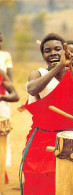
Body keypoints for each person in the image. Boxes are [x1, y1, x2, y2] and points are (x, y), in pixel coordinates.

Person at [21, 33, 73, 195]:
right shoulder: (37, 75)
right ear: (43, 55)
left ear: (65, 50)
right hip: (40, 140)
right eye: (47, 50)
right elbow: (32, 89)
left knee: (68, 182)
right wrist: (59, 66)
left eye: (57, 49)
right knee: (37, 182)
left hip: (68, 138)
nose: (53, 53)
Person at [0, 32, 14, 183]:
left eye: (1, 40)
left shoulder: (5, 56)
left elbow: (10, 81)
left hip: (2, 102)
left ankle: (1, 169)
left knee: (3, 136)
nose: (0, 43)